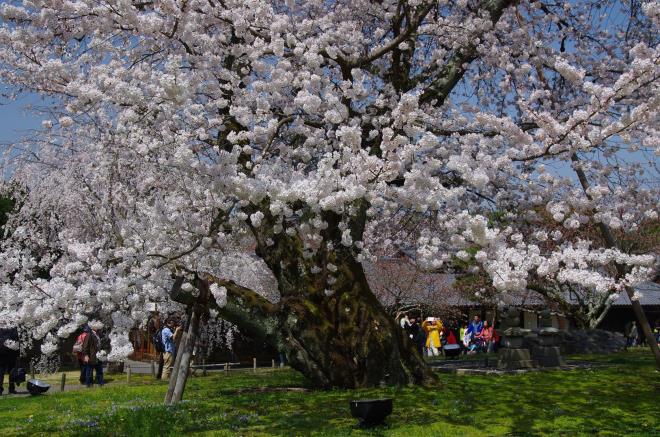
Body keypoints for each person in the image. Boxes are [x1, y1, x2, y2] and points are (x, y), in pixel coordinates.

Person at [82, 320, 104, 387]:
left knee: (99, 370)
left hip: (98, 356)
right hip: (91, 356)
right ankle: (88, 384)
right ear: (92, 327)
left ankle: (101, 383)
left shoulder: (98, 334)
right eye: (96, 325)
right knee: (89, 371)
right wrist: (86, 355)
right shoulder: (89, 335)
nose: (97, 327)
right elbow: (85, 346)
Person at [0, 327, 19, 395]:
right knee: (11, 371)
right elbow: (16, 340)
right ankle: (11, 389)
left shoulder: (2, 327)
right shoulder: (13, 328)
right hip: (10, 352)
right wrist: (17, 353)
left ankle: (1, 389)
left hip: (2, 351)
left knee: (1, 371)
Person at [147, 310, 164, 379]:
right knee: (162, 357)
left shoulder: (154, 320)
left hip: (157, 339)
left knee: (162, 357)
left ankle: (159, 374)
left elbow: (150, 331)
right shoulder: (154, 320)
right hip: (159, 340)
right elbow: (152, 331)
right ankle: (160, 375)